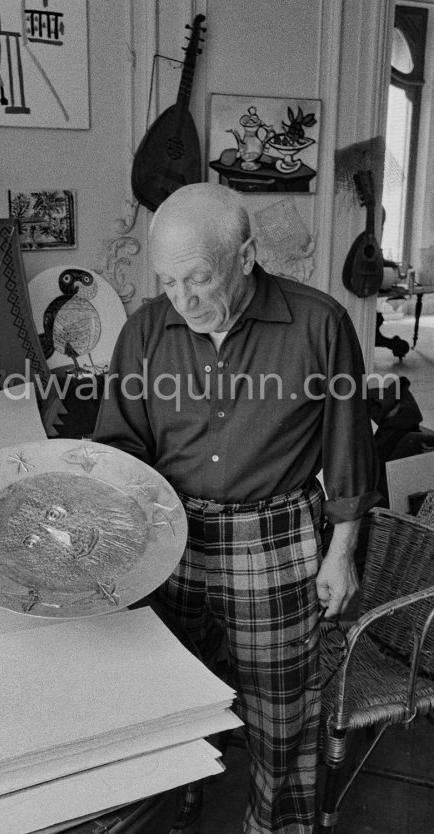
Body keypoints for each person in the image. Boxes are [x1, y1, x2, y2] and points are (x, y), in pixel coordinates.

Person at [93, 183, 380, 834]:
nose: (182, 300)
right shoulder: (145, 330)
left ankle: (277, 826)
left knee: (283, 712)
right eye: (167, 282)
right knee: (171, 696)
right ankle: (176, 804)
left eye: (198, 279)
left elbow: (346, 447)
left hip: (274, 535)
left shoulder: (319, 324)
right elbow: (119, 445)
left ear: (246, 255)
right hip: (170, 533)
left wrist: (340, 554)